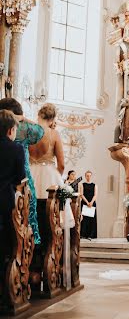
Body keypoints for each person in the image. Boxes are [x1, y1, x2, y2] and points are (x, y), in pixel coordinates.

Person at [0, 98, 44, 245]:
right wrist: (24, 119)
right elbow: (40, 131)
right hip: (18, 181)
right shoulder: (24, 128)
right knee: (24, 212)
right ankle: (27, 246)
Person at [30, 103, 74, 233]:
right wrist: (57, 178)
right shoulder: (54, 134)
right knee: (51, 214)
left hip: (31, 174)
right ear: (52, 119)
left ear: (39, 115)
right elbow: (61, 164)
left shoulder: (29, 132)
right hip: (49, 175)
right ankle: (50, 244)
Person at [0, 110, 25, 269]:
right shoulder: (16, 149)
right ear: (10, 130)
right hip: (4, 200)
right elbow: (19, 178)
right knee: (6, 243)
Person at [79, 171, 98, 239]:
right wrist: (87, 202)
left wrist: (91, 202)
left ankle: (91, 235)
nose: (88, 177)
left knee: (91, 220)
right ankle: (83, 234)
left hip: (92, 203)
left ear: (91, 176)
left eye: (89, 176)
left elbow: (95, 195)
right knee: (84, 219)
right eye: (87, 176)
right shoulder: (82, 184)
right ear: (85, 176)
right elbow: (81, 194)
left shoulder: (94, 185)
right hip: (85, 202)